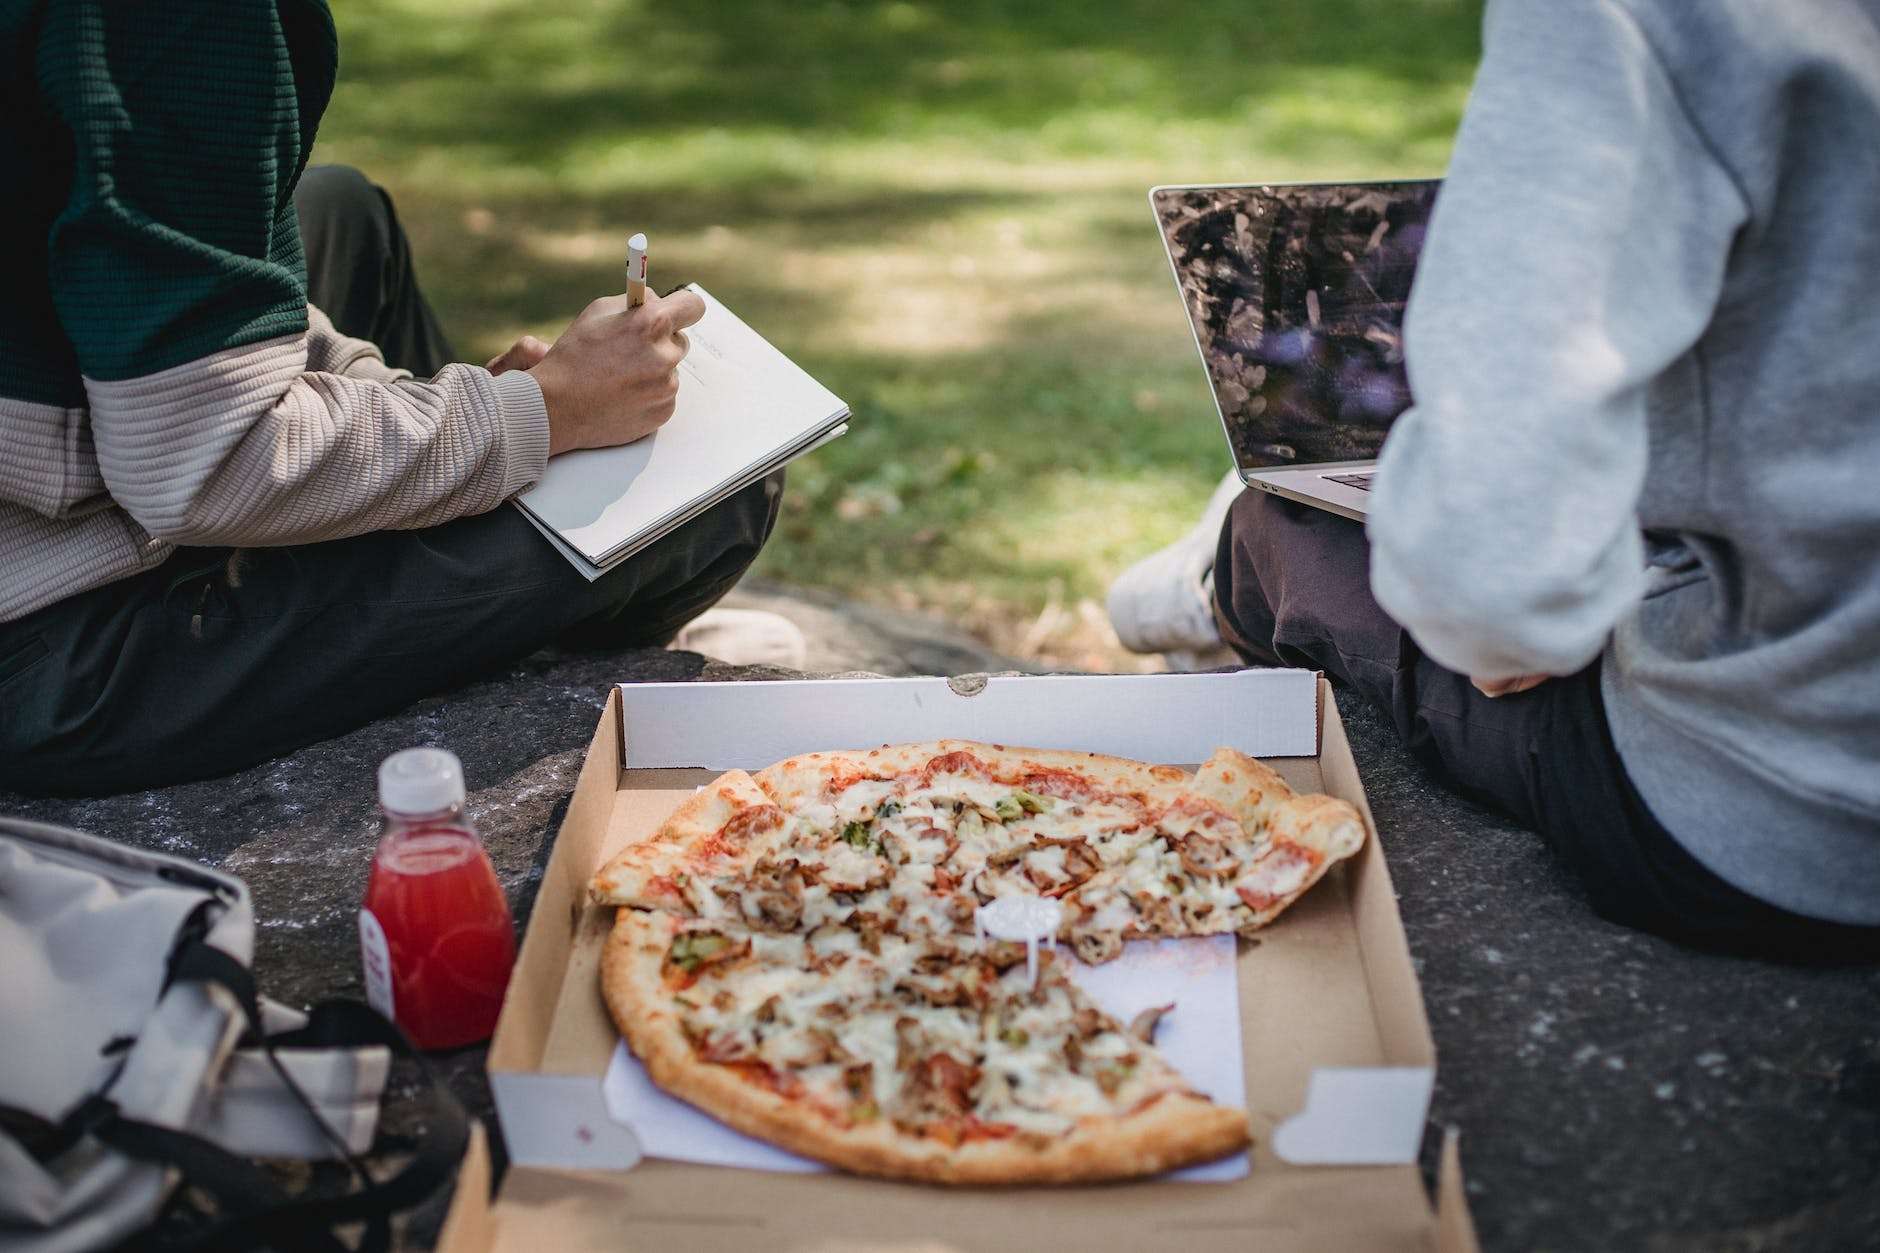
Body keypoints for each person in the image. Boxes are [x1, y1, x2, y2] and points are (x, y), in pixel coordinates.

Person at [1110, 0, 1880, 959]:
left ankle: (1208, 580)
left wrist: (1533, 595)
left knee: (1276, 529)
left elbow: (1493, 591)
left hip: (1780, 820)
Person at [0, 4, 797, 797]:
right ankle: (578, 659)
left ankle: (486, 570)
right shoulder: (178, 25)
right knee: (716, 493)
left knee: (345, 214)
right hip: (54, 642)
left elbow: (195, 315)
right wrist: (539, 413)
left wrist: (454, 408)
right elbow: (209, 465)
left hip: (74, 462)